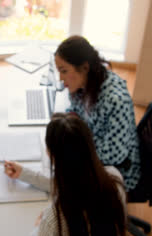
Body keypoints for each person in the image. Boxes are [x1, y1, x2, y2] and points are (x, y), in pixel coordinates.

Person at [4, 113, 127, 236]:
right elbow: (75, 183)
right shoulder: (115, 178)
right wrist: (25, 174)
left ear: (52, 155)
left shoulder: (54, 220)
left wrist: (36, 232)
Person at [55, 35, 141, 191]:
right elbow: (74, 111)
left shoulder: (115, 101)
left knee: (62, 186)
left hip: (117, 172)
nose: (61, 78)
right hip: (91, 149)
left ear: (85, 68)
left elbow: (115, 156)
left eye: (64, 71)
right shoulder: (82, 85)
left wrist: (73, 151)